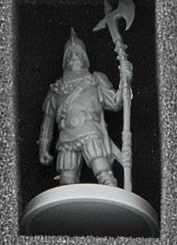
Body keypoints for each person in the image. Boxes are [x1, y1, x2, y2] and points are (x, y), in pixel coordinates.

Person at [38, 31, 125, 188]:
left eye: (77, 53)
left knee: (102, 170)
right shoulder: (56, 89)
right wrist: (44, 148)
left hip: (90, 131)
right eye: (70, 54)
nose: (73, 57)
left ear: (84, 56)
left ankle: (111, 194)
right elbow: (47, 122)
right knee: (67, 179)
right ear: (64, 60)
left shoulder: (95, 80)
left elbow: (115, 103)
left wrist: (126, 84)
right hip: (66, 137)